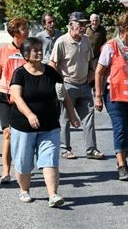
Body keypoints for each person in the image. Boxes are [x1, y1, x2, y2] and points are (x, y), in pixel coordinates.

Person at [9, 37, 81, 207]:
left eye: (40, 49)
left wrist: (72, 115)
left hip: (49, 126)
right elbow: (16, 97)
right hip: (24, 127)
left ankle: (53, 195)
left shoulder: (51, 72)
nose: (40, 52)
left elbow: (64, 95)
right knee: (24, 162)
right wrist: (29, 114)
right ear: (26, 54)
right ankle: (24, 190)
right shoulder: (20, 74)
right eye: (35, 50)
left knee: (50, 160)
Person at [49, 11, 104, 160]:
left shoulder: (86, 40)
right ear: (71, 25)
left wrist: (92, 73)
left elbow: (91, 60)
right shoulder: (61, 42)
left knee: (88, 117)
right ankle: (65, 149)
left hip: (84, 85)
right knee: (65, 118)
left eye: (84, 24)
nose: (83, 27)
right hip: (68, 85)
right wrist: (59, 83)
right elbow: (52, 64)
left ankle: (91, 149)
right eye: (80, 24)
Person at [0, 17, 30, 184]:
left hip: (23, 98)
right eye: (24, 28)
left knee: (22, 135)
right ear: (15, 31)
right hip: (4, 96)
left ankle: (22, 168)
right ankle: (5, 171)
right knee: (7, 133)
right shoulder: (2, 52)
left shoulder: (30, 51)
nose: (28, 30)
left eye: (27, 27)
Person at [94, 14, 128, 181]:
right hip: (115, 95)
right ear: (126, 28)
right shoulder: (110, 46)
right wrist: (98, 96)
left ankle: (123, 160)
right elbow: (99, 72)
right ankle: (121, 165)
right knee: (120, 129)